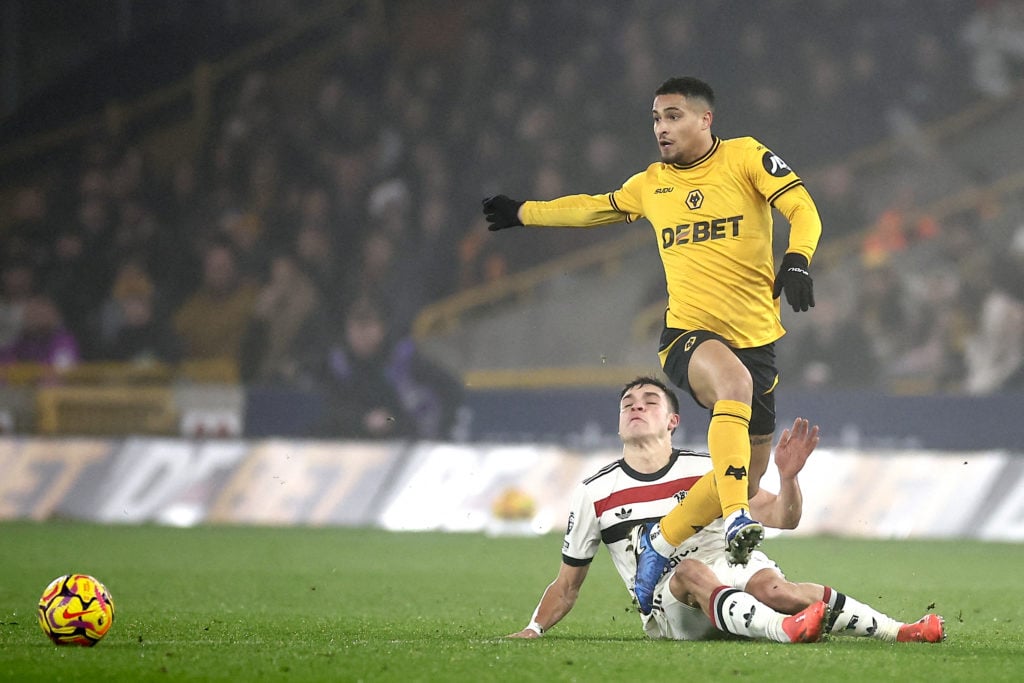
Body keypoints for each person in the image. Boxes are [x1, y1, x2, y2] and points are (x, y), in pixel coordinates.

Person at [482, 76, 822, 609]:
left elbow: (803, 208)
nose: (661, 128)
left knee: (746, 475)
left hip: (757, 343)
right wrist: (525, 211)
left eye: (673, 116)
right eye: (656, 119)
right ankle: (735, 521)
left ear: (706, 119)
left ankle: (660, 542)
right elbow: (592, 207)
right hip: (689, 336)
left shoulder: (745, 158)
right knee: (732, 397)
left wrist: (798, 257)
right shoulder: (651, 183)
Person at [506, 377, 944, 645]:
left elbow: (782, 517)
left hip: (733, 570)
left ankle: (901, 631)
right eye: (627, 403)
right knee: (691, 570)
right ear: (619, 422)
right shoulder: (595, 492)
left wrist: (788, 478)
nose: (636, 406)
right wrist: (534, 628)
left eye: (649, 400)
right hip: (670, 600)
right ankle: (784, 630)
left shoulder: (710, 468)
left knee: (779, 590)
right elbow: (567, 585)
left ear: (672, 421)